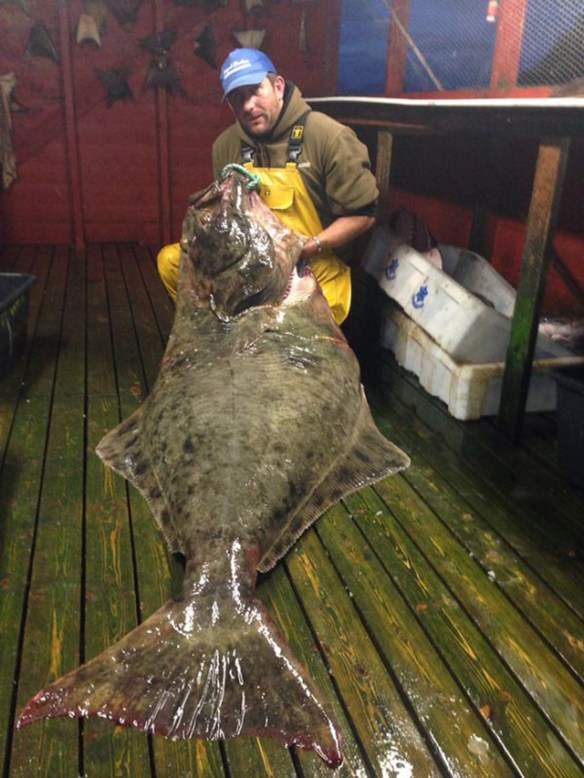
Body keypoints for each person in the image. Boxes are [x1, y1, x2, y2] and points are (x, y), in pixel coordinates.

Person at [157, 48, 379, 324]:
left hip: (309, 263)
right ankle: (214, 338)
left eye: (255, 91)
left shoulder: (329, 137)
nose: (248, 105)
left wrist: (309, 247)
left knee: (304, 321)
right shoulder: (225, 145)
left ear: (278, 86)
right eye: (238, 99)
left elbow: (364, 215)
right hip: (247, 263)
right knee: (171, 262)